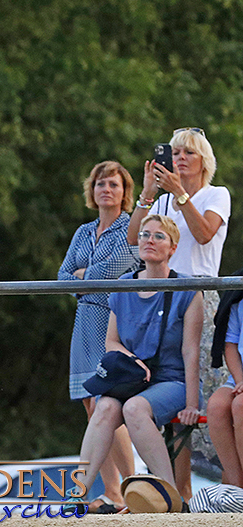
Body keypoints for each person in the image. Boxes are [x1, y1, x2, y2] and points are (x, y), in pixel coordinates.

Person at [67, 215, 202, 507]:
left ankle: (169, 497)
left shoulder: (188, 290)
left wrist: (192, 403)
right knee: (103, 406)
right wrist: (132, 361)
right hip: (134, 379)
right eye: (144, 235)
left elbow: (191, 352)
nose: (149, 241)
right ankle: (76, 496)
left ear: (173, 248)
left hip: (171, 380)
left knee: (134, 408)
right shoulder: (123, 285)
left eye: (158, 236)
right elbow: (111, 341)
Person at [127, 127, 230, 497]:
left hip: (202, 297)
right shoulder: (164, 201)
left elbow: (204, 235)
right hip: (164, 300)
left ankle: (227, 486)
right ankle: (180, 490)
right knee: (172, 393)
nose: (180, 158)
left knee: (206, 395)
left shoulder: (216, 195)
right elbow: (133, 239)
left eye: (188, 153)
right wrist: (149, 194)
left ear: (204, 161)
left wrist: (180, 193)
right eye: (174, 152)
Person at [57, 161, 137, 512]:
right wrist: (86, 278)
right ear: (92, 190)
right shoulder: (82, 232)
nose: (107, 189)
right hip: (84, 319)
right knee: (92, 407)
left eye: (114, 184)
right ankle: (113, 493)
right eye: (101, 183)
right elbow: (61, 278)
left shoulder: (129, 229)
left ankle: (136, 486)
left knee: (111, 404)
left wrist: (84, 275)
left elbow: (116, 269)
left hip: (115, 319)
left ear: (124, 192)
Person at [207, 297, 243, 488]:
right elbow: (230, 345)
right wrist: (240, 380)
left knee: (241, 405)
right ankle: (238, 490)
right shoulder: (239, 298)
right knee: (216, 406)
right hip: (240, 378)